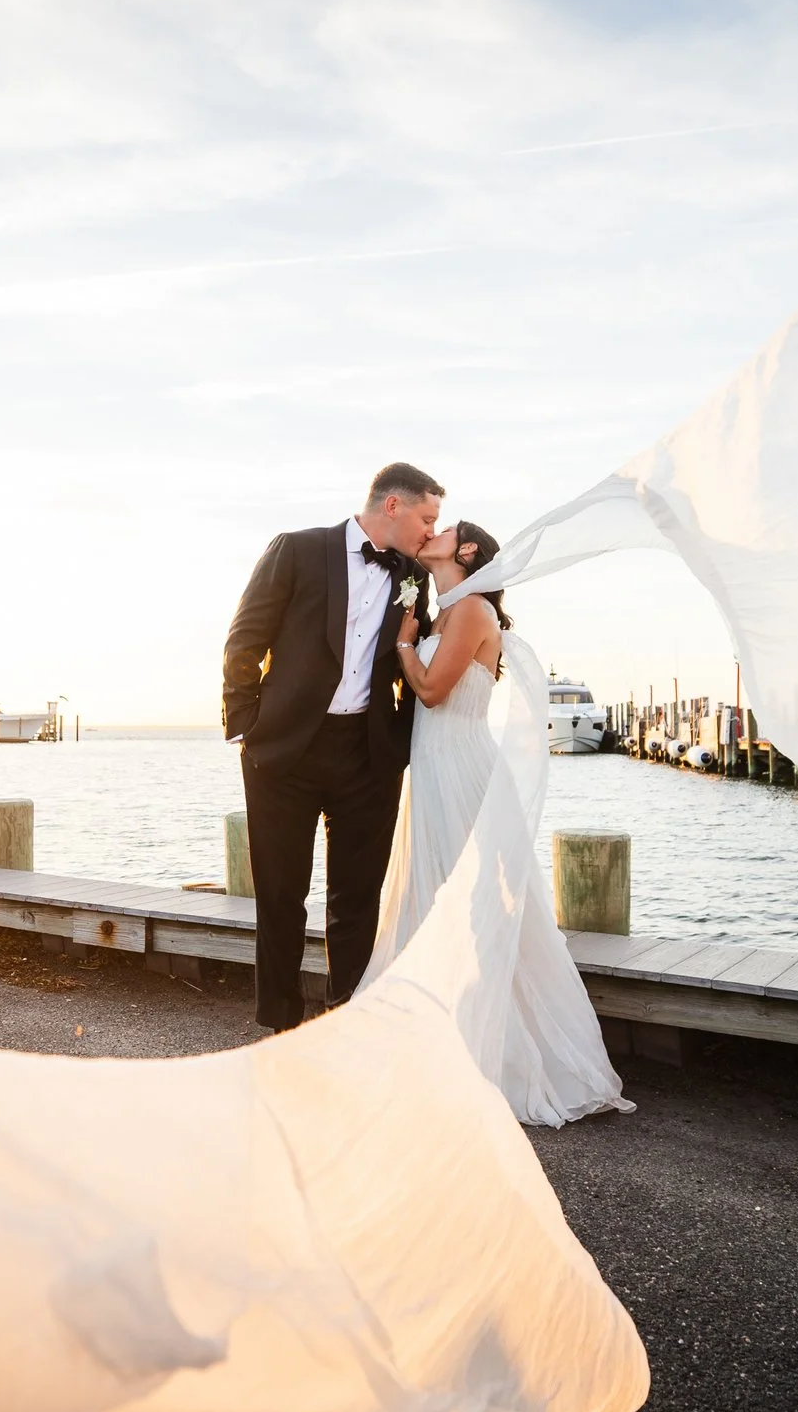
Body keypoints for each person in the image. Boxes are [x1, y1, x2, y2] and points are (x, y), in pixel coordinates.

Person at [369, 520, 631, 1127]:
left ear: (465, 551)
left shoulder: (471, 614)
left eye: (444, 528)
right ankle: (438, 1038)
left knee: (471, 904)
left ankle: (495, 1052)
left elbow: (433, 691)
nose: (430, 531)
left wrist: (405, 643)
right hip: (432, 767)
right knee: (432, 898)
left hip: (459, 767)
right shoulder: (447, 612)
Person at [222, 463, 441, 1031]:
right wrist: (247, 724)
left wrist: (406, 736)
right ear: (392, 506)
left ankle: (347, 1017)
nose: (430, 530)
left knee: (357, 897)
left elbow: (423, 654)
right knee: (279, 894)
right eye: (426, 517)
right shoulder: (296, 550)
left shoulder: (415, 575)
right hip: (283, 752)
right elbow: (245, 638)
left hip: (369, 756)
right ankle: (280, 1022)